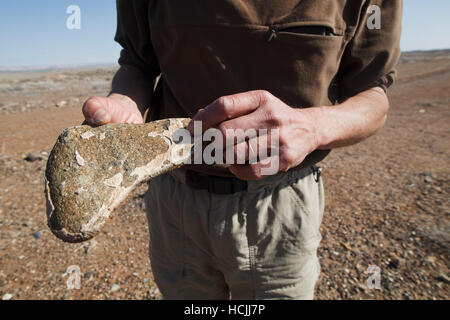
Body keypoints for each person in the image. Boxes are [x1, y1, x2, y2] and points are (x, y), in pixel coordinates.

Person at [82, 0, 402, 299]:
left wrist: (313, 126)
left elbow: (373, 97)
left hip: (280, 206)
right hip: (175, 202)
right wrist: (124, 104)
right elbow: (137, 64)